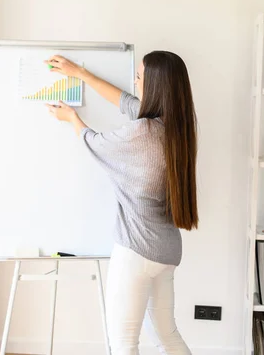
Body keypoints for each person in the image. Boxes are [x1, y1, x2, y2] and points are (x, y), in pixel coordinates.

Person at [45, 51, 198, 355]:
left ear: (154, 86)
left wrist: (72, 118)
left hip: (136, 252)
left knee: (124, 342)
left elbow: (96, 144)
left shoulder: (141, 132)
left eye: (139, 77)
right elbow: (127, 102)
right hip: (166, 251)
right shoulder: (179, 130)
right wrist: (82, 74)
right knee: (167, 336)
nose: (135, 81)